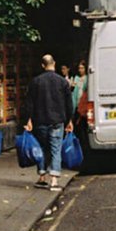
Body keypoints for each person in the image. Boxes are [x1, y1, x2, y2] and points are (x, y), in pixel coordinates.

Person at [24, 54, 75, 190]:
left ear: (42, 65)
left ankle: (42, 177)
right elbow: (69, 104)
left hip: (40, 120)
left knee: (41, 148)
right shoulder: (62, 82)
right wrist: (69, 120)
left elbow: (29, 103)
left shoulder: (35, 82)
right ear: (54, 63)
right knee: (55, 149)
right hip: (57, 120)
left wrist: (28, 119)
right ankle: (54, 180)